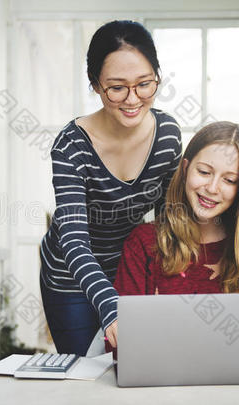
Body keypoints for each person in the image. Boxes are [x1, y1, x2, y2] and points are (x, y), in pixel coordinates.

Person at [40, 20, 183, 355]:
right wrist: (109, 304)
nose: (132, 100)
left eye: (145, 84)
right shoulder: (71, 146)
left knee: (133, 370)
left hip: (129, 270)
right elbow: (74, 239)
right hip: (70, 277)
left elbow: (168, 220)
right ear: (95, 85)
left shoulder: (167, 137)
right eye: (117, 88)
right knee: (83, 373)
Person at [111, 121, 239, 370]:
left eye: (230, 179)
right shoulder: (143, 243)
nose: (212, 188)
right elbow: (118, 345)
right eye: (204, 172)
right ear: (185, 169)